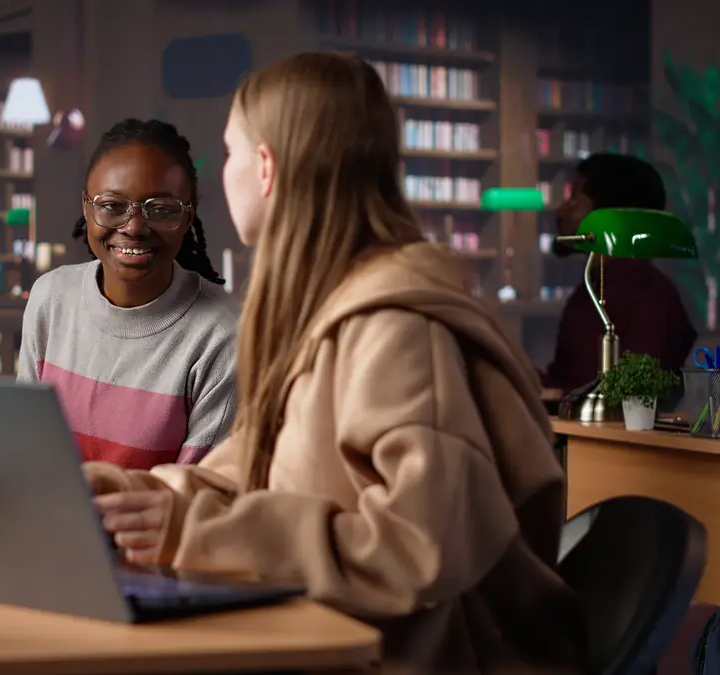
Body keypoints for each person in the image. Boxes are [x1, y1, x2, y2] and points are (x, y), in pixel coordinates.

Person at [82, 53, 584, 673]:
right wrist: (113, 495)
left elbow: (417, 549)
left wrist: (196, 530)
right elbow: (246, 470)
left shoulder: (396, 327)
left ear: (265, 168)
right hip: (316, 635)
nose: (226, 173)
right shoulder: (327, 307)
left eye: (231, 152)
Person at [17, 119, 239, 469]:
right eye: (112, 206)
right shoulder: (50, 298)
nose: (134, 227)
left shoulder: (225, 335)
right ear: (87, 208)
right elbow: (24, 447)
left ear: (187, 216)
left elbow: (194, 498)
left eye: (161, 209)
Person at [542, 153, 698, 394]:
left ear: (608, 218)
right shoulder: (592, 289)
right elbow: (564, 379)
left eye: (574, 202)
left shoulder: (649, 297)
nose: (561, 210)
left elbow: (635, 397)